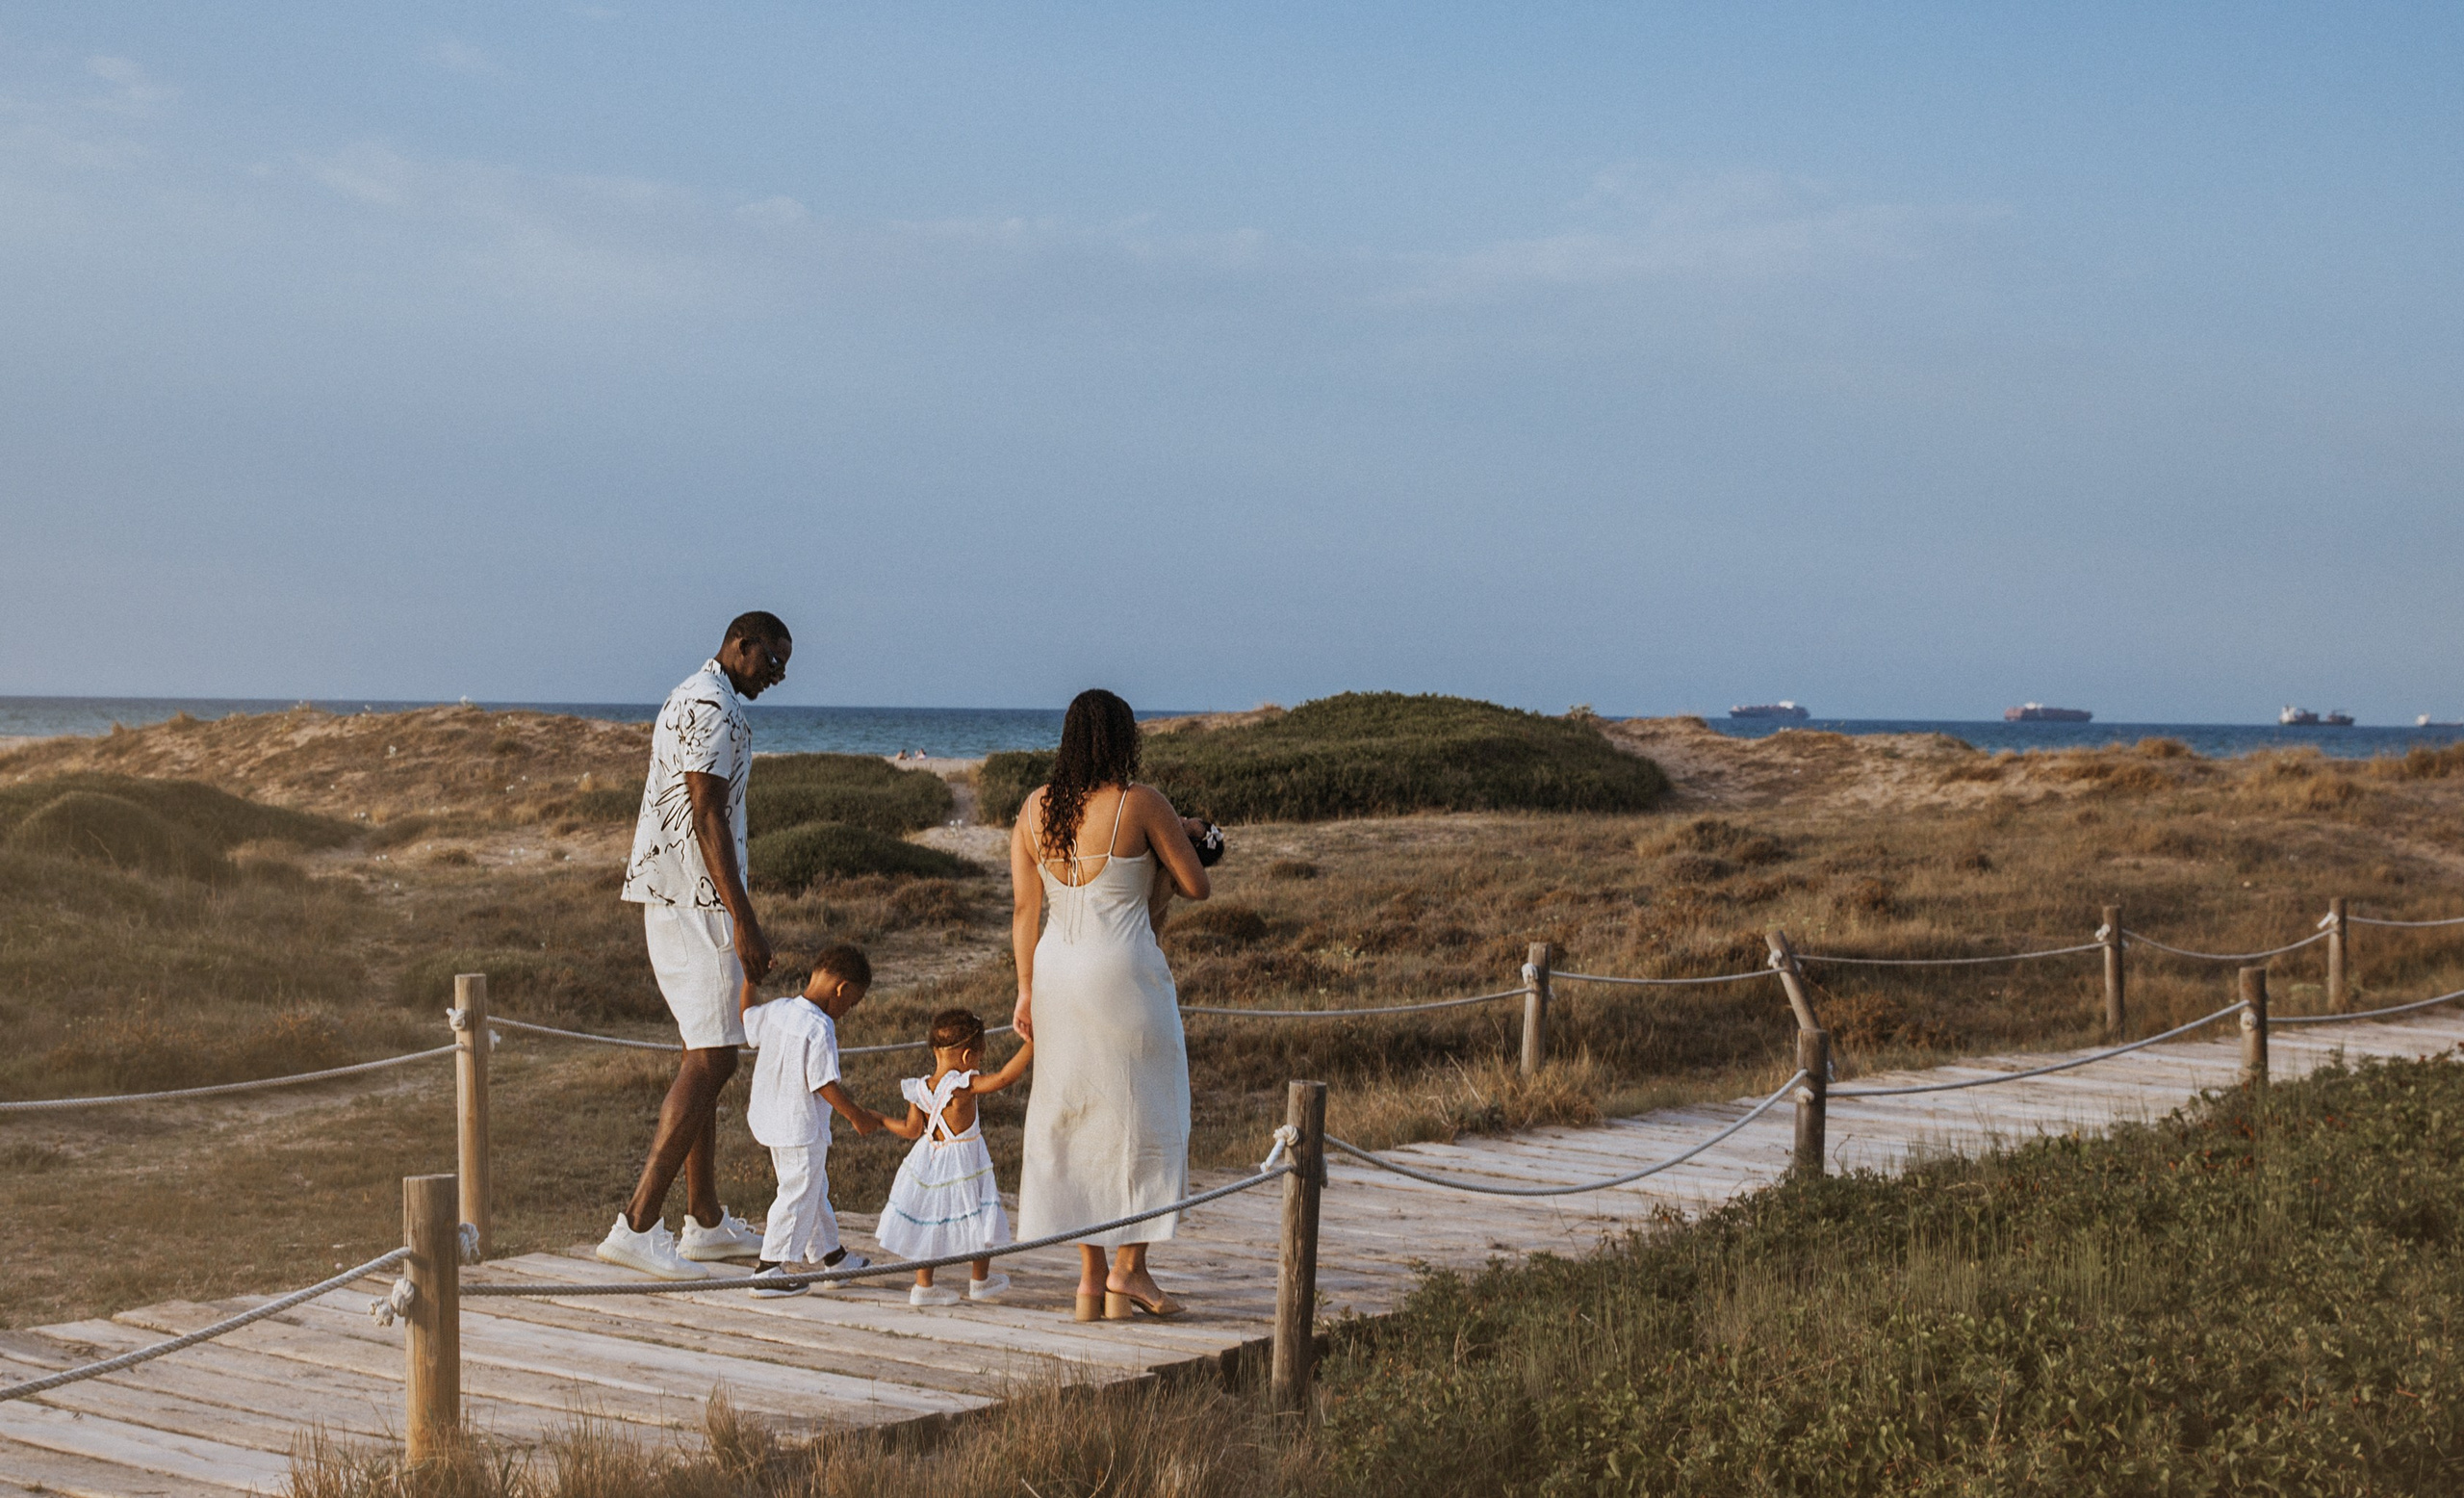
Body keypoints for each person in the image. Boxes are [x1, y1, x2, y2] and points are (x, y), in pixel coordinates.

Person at [597, 610, 792, 1280]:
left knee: (706, 1049)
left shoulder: (696, 695)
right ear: (742, 645)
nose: (779, 675)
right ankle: (637, 1223)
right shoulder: (708, 705)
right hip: (696, 901)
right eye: (772, 660)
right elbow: (706, 810)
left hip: (682, 895)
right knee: (713, 1060)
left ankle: (704, 1220)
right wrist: (744, 918)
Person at [1011, 688, 1213, 1321]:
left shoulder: (1034, 808)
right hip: (1122, 969)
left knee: (1076, 1115)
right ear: (1124, 740)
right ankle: (1132, 1270)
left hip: (1054, 973)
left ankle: (1090, 1283)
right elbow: (1195, 885)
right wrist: (1179, 833)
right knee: (1149, 1114)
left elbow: (1023, 910)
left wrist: (1023, 991)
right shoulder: (1141, 802)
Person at [737, 945, 889, 1298]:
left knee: (812, 1189)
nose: (847, 1011)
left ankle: (832, 1258)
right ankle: (769, 1269)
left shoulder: (778, 1010)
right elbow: (822, 1082)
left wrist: (750, 979)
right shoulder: (820, 1027)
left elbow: (747, 1018)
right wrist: (857, 1116)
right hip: (800, 1126)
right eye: (851, 1003)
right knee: (797, 1193)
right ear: (842, 988)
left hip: (772, 1120)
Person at [876, 1008, 1036, 1306]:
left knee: (930, 1218)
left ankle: (923, 1285)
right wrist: (1032, 1044)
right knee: (980, 1213)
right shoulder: (964, 1085)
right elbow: (1003, 1078)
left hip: (930, 1159)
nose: (979, 1064)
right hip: (966, 1161)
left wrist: (883, 1120)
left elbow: (912, 1130)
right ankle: (980, 1280)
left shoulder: (919, 1089)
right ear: (967, 1057)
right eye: (979, 1057)